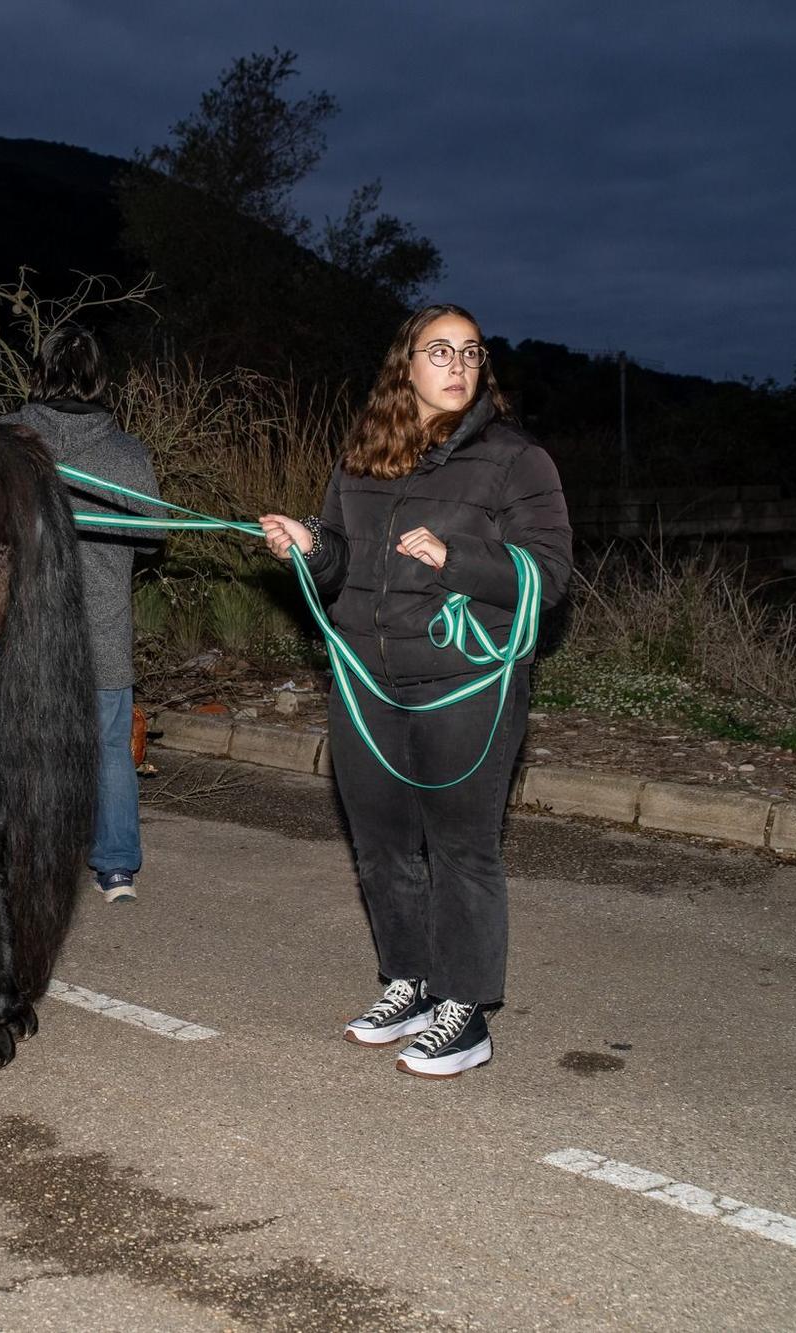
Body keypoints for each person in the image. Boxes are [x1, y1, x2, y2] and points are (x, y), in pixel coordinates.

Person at [259, 304, 571, 1078]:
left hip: (466, 683)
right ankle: (412, 984)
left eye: (470, 352)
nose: (459, 364)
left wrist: (455, 557)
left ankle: (466, 1014)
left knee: (463, 848)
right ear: (407, 366)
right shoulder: (365, 457)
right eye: (440, 351)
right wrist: (309, 546)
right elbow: (342, 563)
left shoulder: (514, 459)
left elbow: (550, 575)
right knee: (382, 844)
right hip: (366, 678)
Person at [1, 325, 162, 904]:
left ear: (39, 372)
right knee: (110, 747)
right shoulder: (126, 454)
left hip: (22, 630)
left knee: (26, 744)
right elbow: (151, 541)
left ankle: (33, 858)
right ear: (99, 379)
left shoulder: (6, 442)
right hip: (101, 631)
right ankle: (116, 868)